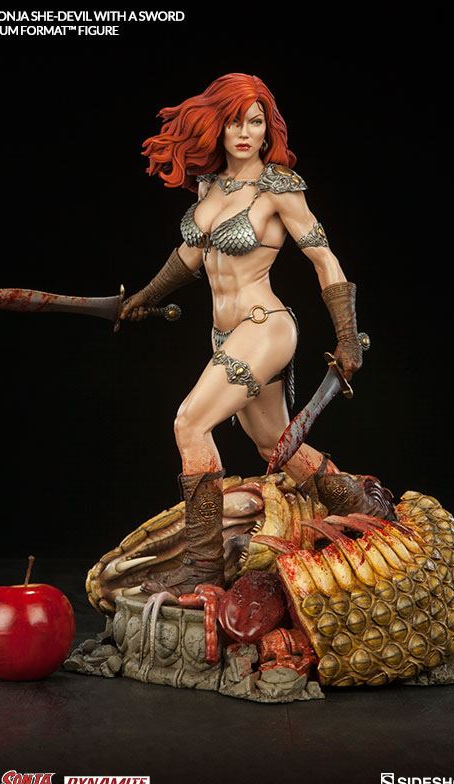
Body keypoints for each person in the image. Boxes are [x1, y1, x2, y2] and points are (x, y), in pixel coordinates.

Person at [120, 73, 364, 596]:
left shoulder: (279, 187)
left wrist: (347, 335)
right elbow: (189, 257)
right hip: (225, 333)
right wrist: (144, 296)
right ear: (218, 127)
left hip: (264, 326)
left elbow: (324, 259)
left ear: (267, 128)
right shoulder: (210, 186)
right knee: (274, 445)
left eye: (255, 122)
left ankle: (202, 566)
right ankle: (364, 507)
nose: (245, 133)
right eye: (234, 122)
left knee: (190, 423)